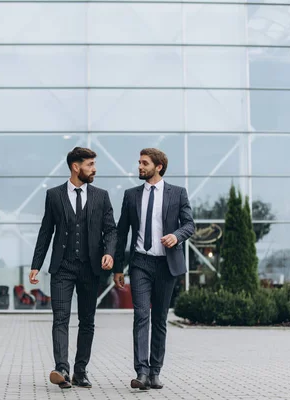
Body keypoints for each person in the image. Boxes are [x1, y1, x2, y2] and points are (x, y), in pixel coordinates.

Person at [29, 147, 117, 389]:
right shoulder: (54, 195)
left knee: (87, 321)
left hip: (90, 268)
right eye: (90, 165)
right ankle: (62, 369)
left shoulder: (101, 196)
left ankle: (80, 371)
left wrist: (109, 252)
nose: (94, 169)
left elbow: (110, 229)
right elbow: (46, 231)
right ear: (75, 167)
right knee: (61, 318)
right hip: (62, 267)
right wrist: (36, 265)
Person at [114, 148, 194, 390]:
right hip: (140, 263)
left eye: (144, 163)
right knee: (141, 315)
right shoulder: (131, 195)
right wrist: (118, 267)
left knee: (159, 319)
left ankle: (155, 371)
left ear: (158, 166)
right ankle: (142, 371)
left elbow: (189, 224)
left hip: (166, 265)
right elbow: (121, 232)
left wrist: (177, 236)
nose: (139, 166)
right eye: (139, 162)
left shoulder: (177, 194)